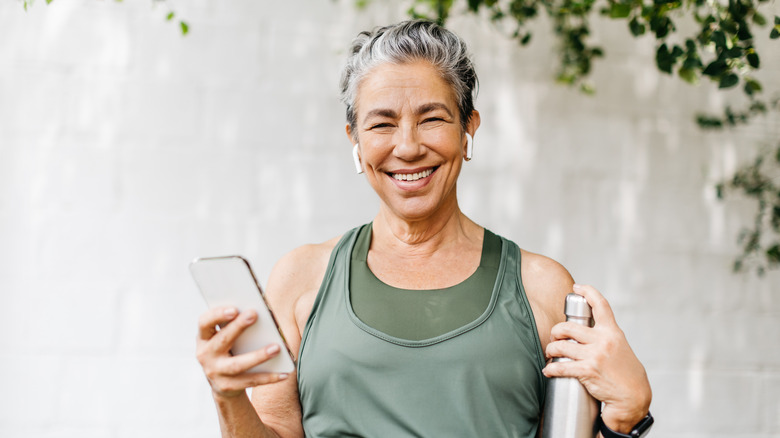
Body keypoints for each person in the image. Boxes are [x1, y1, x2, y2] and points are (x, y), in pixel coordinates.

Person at [196, 20, 652, 438]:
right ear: (355, 140)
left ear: (468, 127)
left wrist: (626, 414)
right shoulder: (301, 279)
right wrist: (228, 395)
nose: (409, 146)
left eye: (432, 118)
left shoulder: (542, 286)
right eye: (382, 123)